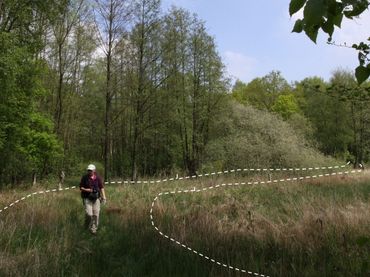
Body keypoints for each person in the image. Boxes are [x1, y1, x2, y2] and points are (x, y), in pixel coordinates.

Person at [79, 164, 107, 234]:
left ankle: (93, 229)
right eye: (88, 170)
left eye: (91, 170)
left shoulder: (98, 178)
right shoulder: (84, 178)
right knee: (89, 214)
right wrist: (87, 190)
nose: (89, 171)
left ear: (94, 170)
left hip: (96, 198)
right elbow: (81, 187)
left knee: (96, 214)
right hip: (87, 198)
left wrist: (104, 197)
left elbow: (101, 187)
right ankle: (86, 226)